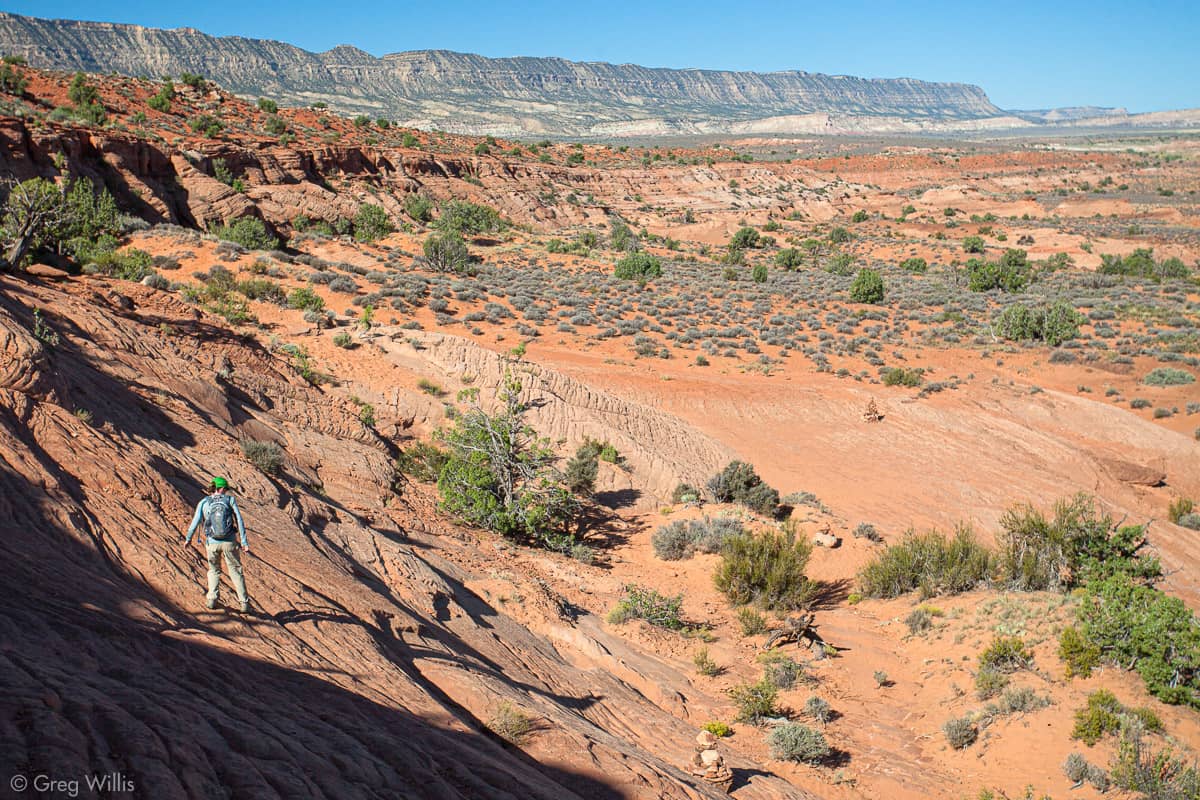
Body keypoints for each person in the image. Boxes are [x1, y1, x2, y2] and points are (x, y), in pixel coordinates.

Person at [185, 476, 251, 612]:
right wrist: (244, 541)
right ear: (221, 488)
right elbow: (239, 520)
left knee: (214, 570)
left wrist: (188, 538)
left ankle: (212, 599)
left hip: (212, 543)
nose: (226, 492)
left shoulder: (204, 501)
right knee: (235, 571)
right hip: (229, 542)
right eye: (225, 489)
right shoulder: (230, 500)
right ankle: (244, 603)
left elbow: (195, 521)